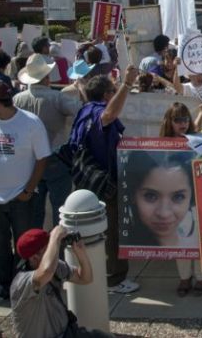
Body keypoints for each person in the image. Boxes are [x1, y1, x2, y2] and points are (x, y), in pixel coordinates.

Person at [0, 80, 51, 303]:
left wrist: (28, 189)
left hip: (21, 198)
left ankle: (22, 286)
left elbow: (42, 158)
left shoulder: (30, 123)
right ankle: (5, 286)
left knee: (23, 245)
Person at [67, 67, 141, 294]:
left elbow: (84, 92)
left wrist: (80, 83)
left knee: (95, 231)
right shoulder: (99, 111)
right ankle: (115, 279)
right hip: (104, 183)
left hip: (86, 182)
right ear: (107, 95)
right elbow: (108, 116)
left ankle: (96, 273)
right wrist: (127, 84)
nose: (116, 91)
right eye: (113, 89)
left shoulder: (84, 110)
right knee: (112, 231)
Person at [14, 54, 83, 228]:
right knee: (61, 209)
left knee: (35, 210)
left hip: (29, 159)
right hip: (55, 157)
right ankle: (58, 250)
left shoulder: (17, 100)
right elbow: (80, 111)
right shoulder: (56, 97)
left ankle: (35, 251)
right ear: (46, 77)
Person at [10, 227, 114, 338]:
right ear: (34, 257)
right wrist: (55, 237)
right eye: (49, 248)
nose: (54, 251)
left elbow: (85, 278)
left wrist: (81, 254)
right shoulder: (21, 282)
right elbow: (46, 271)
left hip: (66, 333)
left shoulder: (54, 266)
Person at [158, 102, 202, 297]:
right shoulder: (161, 143)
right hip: (175, 202)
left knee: (199, 240)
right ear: (169, 121)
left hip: (197, 198)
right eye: (178, 119)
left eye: (185, 119)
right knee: (181, 240)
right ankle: (184, 278)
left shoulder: (197, 139)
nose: (183, 123)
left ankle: (201, 278)